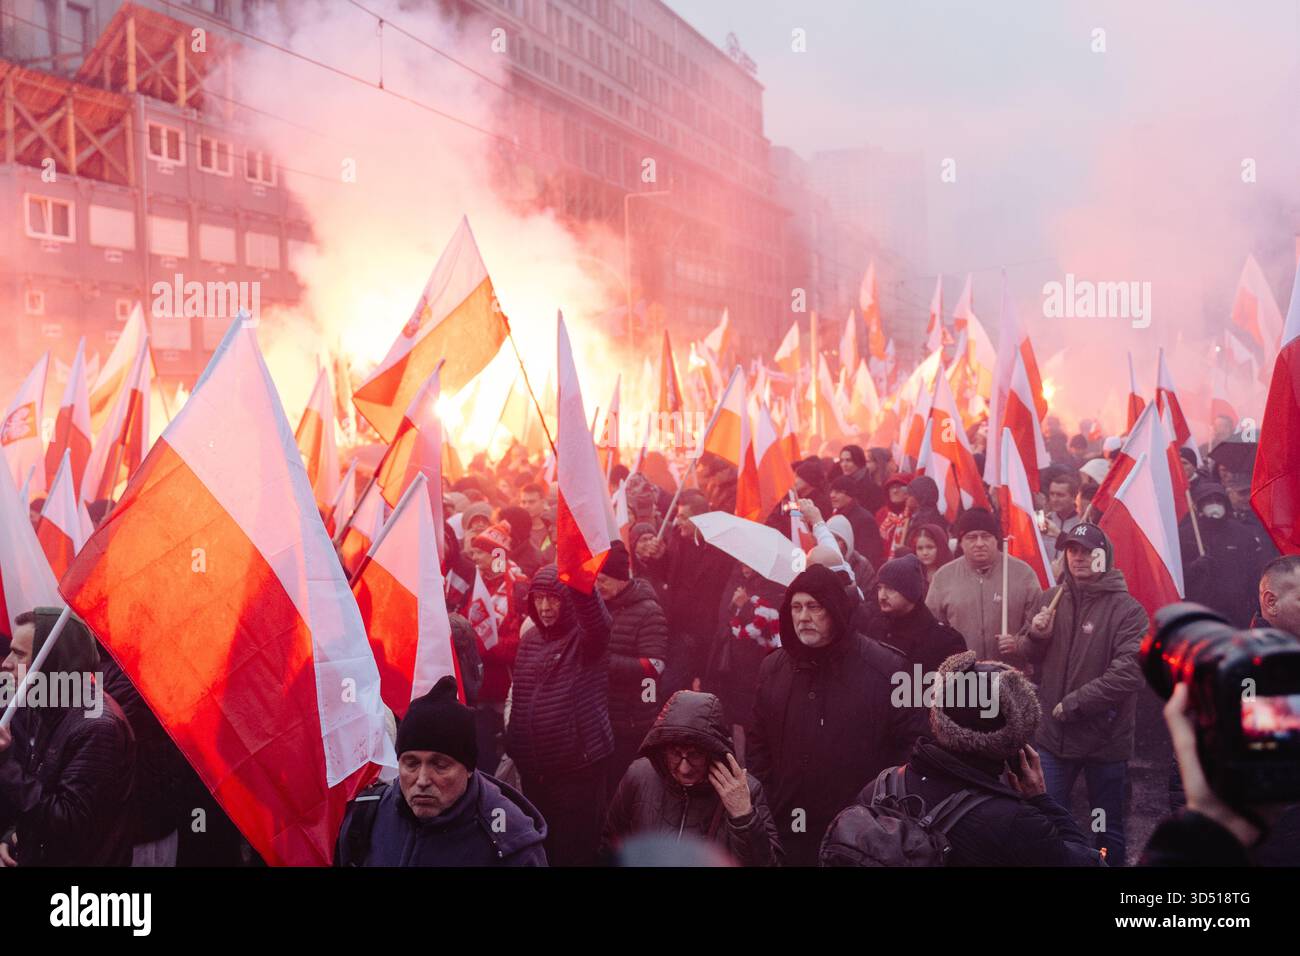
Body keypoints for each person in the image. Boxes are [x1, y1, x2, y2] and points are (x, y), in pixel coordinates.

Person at [821, 652, 1102, 866]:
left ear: (938, 718)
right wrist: (1042, 800)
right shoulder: (1016, 822)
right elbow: (1090, 861)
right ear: (1015, 740)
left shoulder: (882, 786)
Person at [747, 565, 928, 866]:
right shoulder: (773, 668)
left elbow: (913, 749)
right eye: (796, 607)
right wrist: (770, 800)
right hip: (790, 830)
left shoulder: (887, 669)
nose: (803, 617)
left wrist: (882, 816)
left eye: (814, 607)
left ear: (835, 610)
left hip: (861, 840)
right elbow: (757, 744)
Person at [1010, 522, 1148, 866]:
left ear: (1105, 556)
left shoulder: (1128, 610)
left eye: (1089, 551)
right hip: (1054, 740)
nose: (1079, 558)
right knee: (1049, 819)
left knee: (1104, 826)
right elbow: (1030, 657)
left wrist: (1075, 704)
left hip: (1104, 740)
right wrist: (1036, 636)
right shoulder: (1050, 599)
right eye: (1072, 550)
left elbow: (1129, 672)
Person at [335, 677, 547, 866]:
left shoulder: (510, 841)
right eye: (411, 764)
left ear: (469, 769)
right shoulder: (366, 816)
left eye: (440, 765)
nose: (423, 780)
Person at [0, 609, 136, 866]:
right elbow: (40, 790)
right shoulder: (45, 706)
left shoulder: (97, 727)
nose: (6, 663)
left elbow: (68, 821)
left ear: (51, 661)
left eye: (18, 653)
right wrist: (16, 836)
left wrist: (5, 766)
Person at [505, 566, 613, 867]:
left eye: (553, 599)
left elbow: (597, 621)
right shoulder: (530, 641)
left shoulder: (586, 640)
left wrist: (581, 582)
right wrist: (516, 745)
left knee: (573, 852)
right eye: (538, 599)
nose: (545, 608)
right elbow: (522, 696)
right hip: (536, 773)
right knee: (541, 849)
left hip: (576, 772)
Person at [601, 691, 783, 867]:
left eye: (695, 755)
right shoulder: (638, 776)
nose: (684, 768)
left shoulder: (746, 791)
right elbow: (611, 845)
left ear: (713, 753)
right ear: (662, 750)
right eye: (675, 754)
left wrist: (744, 818)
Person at [638, 489, 735, 694]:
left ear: (699, 519)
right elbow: (669, 577)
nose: (677, 521)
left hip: (703, 633)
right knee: (674, 689)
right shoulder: (679, 541)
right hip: (678, 628)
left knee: (679, 688)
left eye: (683, 517)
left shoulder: (720, 550)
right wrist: (659, 558)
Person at [595, 541, 669, 792]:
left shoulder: (648, 612)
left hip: (631, 720)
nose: (597, 585)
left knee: (623, 789)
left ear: (621, 578)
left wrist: (606, 662)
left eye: (603, 580)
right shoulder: (600, 606)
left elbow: (654, 666)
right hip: (601, 716)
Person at [926, 507, 1042, 663]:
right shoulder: (944, 577)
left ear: (996, 539)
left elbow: (1038, 629)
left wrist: (1018, 643)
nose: (979, 543)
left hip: (1011, 676)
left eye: (986, 536)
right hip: (963, 677)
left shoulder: (1023, 574)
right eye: (972, 537)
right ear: (960, 542)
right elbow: (931, 629)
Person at [462, 523, 530, 773]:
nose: (474, 557)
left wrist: (481, 647)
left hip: (507, 687)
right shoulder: (477, 583)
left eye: (480, 552)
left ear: (497, 555)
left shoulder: (520, 587)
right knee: (482, 748)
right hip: (480, 687)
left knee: (509, 748)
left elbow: (522, 642)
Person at [1179, 483, 1267, 628]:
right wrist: (1194, 567)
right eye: (1208, 501)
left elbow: (1254, 570)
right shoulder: (1187, 535)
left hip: (1238, 610)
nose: (1214, 505)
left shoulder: (1241, 533)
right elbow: (1178, 575)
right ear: (1199, 505)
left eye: (1218, 501)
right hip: (1201, 609)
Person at [869, 555, 966, 674]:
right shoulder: (874, 629)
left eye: (890, 589)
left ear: (910, 592)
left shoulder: (945, 641)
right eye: (879, 588)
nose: (882, 596)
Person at [829, 475, 884, 569]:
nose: (832, 495)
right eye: (831, 491)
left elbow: (868, 556)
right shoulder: (835, 514)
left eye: (838, 492)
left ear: (850, 495)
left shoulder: (864, 520)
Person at [825, 514, 876, 598]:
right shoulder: (817, 562)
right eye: (831, 538)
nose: (834, 543)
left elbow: (869, 598)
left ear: (847, 541)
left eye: (838, 539)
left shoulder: (862, 565)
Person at [1042, 471, 1082, 562]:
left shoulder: (1083, 523)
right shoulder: (1045, 520)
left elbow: (1081, 551)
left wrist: (1058, 533)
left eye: (1060, 495)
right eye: (1052, 494)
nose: (1055, 499)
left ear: (1074, 497)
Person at [499, 505, 546, 578]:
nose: (499, 530)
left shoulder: (531, 559)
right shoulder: (504, 548)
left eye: (504, 527)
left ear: (516, 527)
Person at [904, 522, 953, 589]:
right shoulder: (910, 574)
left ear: (940, 547)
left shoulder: (952, 573)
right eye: (920, 548)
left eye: (930, 547)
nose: (925, 553)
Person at [837, 444, 884, 513]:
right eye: (842, 460)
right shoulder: (839, 484)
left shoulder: (872, 488)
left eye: (848, 460)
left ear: (858, 461)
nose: (844, 464)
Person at [518, 482, 556, 562]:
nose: (526, 506)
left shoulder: (554, 527)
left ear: (543, 502)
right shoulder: (517, 531)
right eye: (523, 502)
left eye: (531, 502)